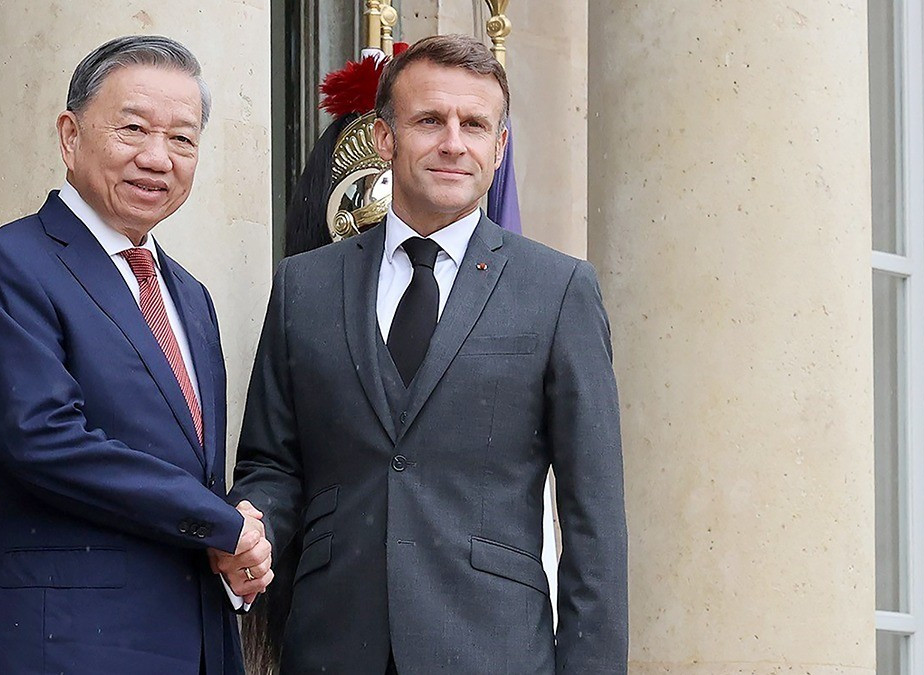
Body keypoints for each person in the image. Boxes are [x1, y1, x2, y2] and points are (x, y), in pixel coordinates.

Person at [229, 34, 628, 674]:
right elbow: (272, 465)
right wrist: (252, 529)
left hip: (493, 650)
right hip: (332, 647)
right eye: (429, 121)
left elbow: (594, 518)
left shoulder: (559, 291)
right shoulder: (303, 286)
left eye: (475, 125)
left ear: (500, 148)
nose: (452, 143)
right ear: (385, 140)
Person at [0, 35, 271, 674]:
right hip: (63, 645)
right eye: (132, 129)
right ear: (70, 136)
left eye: (182, 138)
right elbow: (42, 438)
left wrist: (235, 544)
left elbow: (191, 467)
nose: (158, 158)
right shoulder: (13, 263)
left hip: (192, 642)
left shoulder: (188, 294)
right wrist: (219, 523)